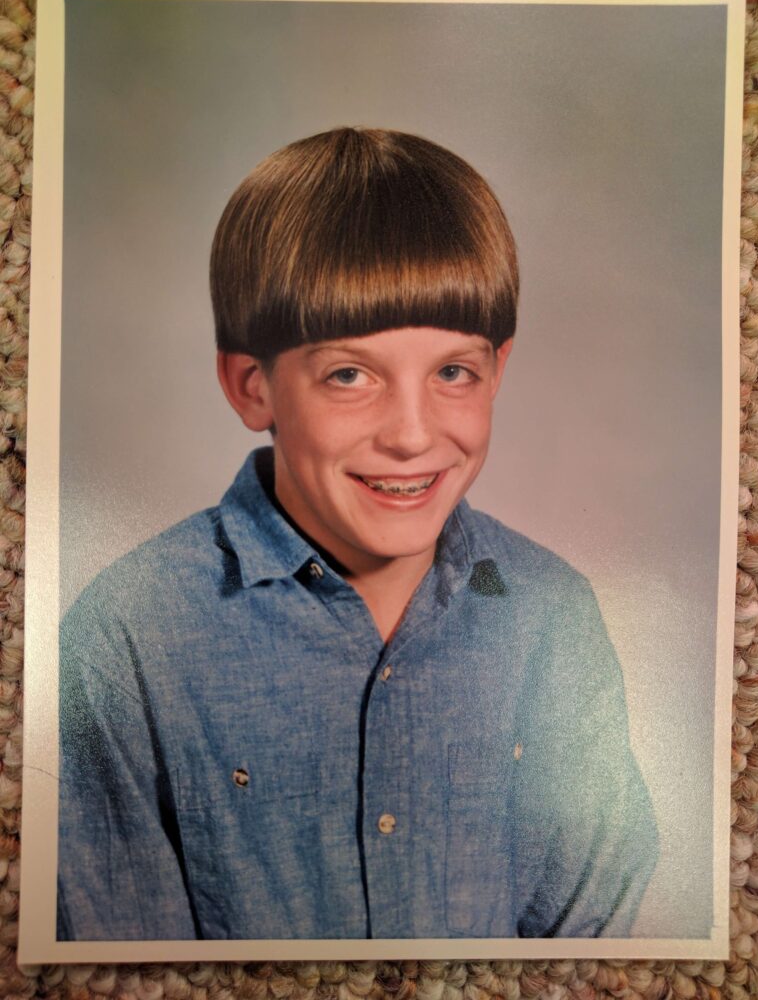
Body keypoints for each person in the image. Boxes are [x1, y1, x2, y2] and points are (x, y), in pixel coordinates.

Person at [57, 127, 658, 942]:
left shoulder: (551, 619)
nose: (412, 435)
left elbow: (589, 952)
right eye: (350, 375)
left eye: (453, 373)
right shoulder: (128, 637)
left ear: (498, 371)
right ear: (252, 386)